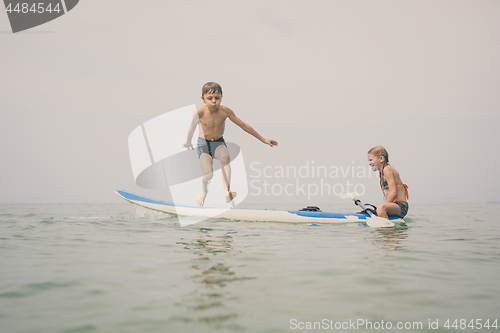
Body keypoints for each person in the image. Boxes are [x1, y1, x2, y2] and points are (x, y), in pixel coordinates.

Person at [183, 82, 278, 207]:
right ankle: (203, 190)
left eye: (217, 98)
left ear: (221, 97)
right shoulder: (199, 112)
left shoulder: (225, 111)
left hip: (218, 142)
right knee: (208, 174)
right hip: (204, 144)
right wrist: (188, 142)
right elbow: (191, 128)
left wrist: (263, 139)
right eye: (209, 98)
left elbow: (243, 125)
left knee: (225, 158)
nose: (214, 101)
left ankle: (226, 191)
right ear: (203, 99)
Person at [367, 146, 409, 219]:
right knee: (380, 208)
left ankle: (387, 229)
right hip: (393, 205)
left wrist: (382, 208)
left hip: (400, 206)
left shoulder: (387, 169)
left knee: (380, 208)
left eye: (371, 160)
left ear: (381, 159)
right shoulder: (382, 172)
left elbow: (393, 193)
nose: (369, 163)